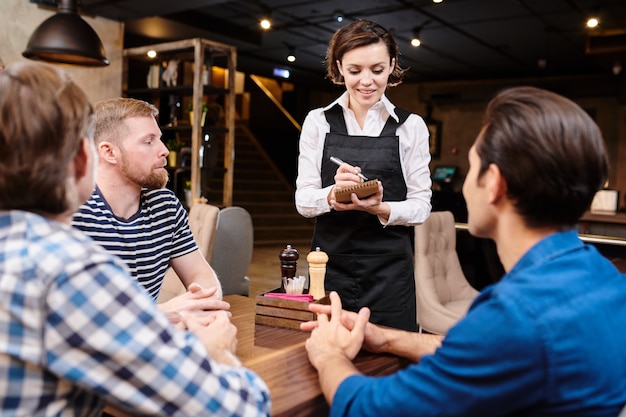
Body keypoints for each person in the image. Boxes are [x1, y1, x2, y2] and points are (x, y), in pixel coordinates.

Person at [302, 86, 626, 416]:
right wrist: (384, 339)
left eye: (472, 167)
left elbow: (370, 409)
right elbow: (489, 350)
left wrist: (329, 354)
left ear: (494, 184)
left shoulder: (514, 315)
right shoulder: (608, 278)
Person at [0, 61, 270, 416]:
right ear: (89, 156)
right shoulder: (71, 267)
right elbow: (240, 408)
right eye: (149, 140)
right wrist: (216, 351)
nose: (164, 150)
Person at [294, 19, 432, 332]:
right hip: (329, 268)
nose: (366, 81)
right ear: (339, 66)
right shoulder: (318, 122)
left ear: (392, 65)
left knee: (391, 365)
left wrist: (381, 208)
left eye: (378, 70)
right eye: (355, 71)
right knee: (328, 359)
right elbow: (303, 200)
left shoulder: (411, 127)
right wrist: (331, 194)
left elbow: (421, 206)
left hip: (390, 272)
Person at [72, 97, 227, 327]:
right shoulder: (72, 211)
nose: (164, 151)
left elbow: (200, 275)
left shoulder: (165, 205)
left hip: (149, 347)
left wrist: (200, 302)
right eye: (148, 142)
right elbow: (73, 317)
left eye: (160, 140)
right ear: (109, 152)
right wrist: (163, 313)